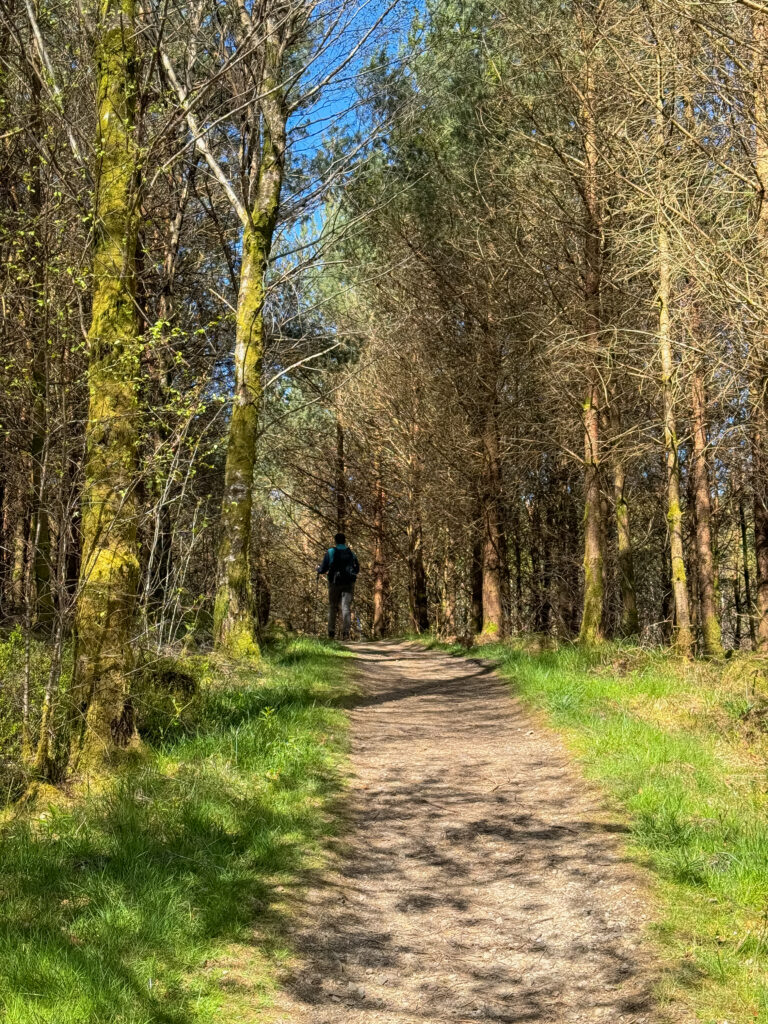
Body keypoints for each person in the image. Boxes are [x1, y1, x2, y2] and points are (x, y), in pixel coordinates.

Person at [317, 532, 360, 640]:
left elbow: (323, 569)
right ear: (344, 541)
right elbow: (357, 569)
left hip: (334, 583)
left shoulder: (331, 552)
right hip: (348, 584)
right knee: (346, 608)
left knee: (332, 607)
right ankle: (345, 634)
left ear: (335, 541)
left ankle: (331, 633)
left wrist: (317, 569)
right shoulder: (351, 553)